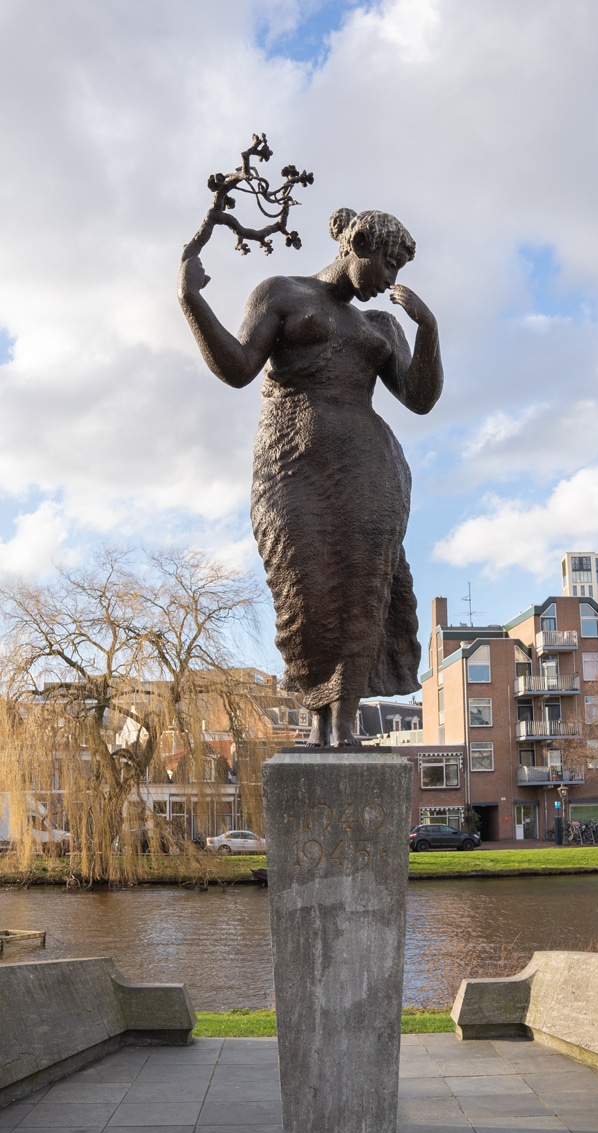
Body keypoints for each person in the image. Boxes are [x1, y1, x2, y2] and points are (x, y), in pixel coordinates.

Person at [178, 207, 443, 745]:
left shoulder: (382, 325)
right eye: (387, 265)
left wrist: (429, 327)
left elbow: (419, 399)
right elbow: (236, 368)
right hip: (290, 460)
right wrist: (192, 300)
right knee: (303, 584)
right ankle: (319, 718)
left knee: (363, 584)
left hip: (369, 468)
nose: (391, 281)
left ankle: (341, 727)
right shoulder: (281, 293)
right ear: (359, 244)